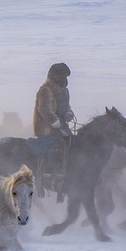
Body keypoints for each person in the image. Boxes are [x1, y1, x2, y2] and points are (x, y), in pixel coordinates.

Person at [32, 62, 76, 195]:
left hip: (61, 126)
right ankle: (46, 175)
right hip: (46, 128)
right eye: (62, 75)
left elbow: (67, 106)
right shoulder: (45, 89)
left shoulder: (64, 90)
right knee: (56, 147)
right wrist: (55, 122)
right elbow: (44, 109)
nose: (65, 79)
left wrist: (69, 113)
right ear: (55, 75)